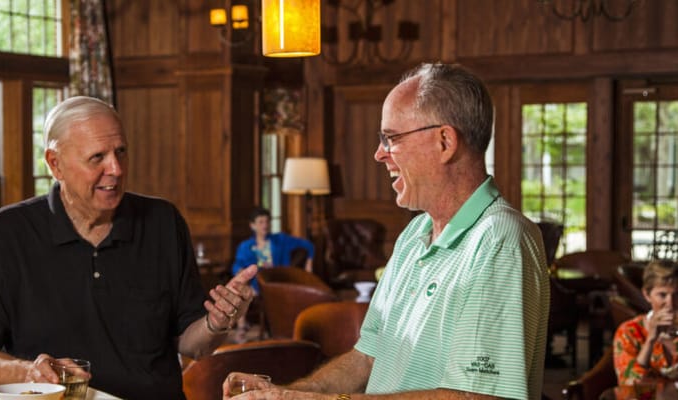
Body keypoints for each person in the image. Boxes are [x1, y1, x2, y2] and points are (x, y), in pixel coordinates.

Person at [223, 63, 550, 400]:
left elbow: (479, 397)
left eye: (391, 138)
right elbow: (367, 358)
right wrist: (282, 393)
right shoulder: (414, 235)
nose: (379, 154)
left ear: (444, 142)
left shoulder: (500, 240)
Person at [0, 96, 257, 399]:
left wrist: (218, 322)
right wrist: (27, 371)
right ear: (55, 164)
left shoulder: (164, 222)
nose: (116, 168)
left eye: (120, 152)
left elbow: (193, 345)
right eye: (97, 157)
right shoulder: (6, 232)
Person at [613, 259, 678, 386]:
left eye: (677, 295)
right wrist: (650, 340)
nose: (670, 304)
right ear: (647, 295)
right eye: (662, 295)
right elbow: (629, 384)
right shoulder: (629, 331)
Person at [232, 207, 315, 292]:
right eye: (261, 222)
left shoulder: (280, 239)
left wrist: (309, 262)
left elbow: (308, 245)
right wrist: (240, 272)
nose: (265, 225)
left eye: (267, 221)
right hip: (256, 286)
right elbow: (237, 266)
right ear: (252, 225)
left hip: (279, 282)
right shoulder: (245, 246)